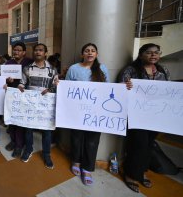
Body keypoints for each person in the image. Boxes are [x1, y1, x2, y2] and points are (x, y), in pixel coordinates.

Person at [119, 43, 170, 193]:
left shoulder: (163, 71)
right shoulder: (131, 70)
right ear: (141, 55)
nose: (153, 55)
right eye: (149, 52)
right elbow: (120, 89)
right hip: (137, 115)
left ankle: (141, 172)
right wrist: (125, 86)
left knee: (149, 144)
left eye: (156, 52)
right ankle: (130, 174)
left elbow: (168, 91)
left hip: (156, 115)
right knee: (138, 144)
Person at [65, 43, 109, 186]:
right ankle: (76, 161)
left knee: (92, 140)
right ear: (82, 54)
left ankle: (88, 168)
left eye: (93, 51)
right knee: (77, 137)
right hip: (77, 111)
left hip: (96, 112)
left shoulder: (102, 69)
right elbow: (67, 88)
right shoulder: (74, 68)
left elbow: (108, 88)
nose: (90, 53)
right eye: (87, 51)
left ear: (96, 54)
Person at [19, 43, 58, 169]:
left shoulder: (52, 69)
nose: (38, 52)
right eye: (36, 50)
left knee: (46, 131)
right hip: (30, 104)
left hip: (45, 106)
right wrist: (20, 87)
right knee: (28, 128)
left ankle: (46, 154)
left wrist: (51, 89)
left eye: (41, 50)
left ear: (45, 53)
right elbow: (22, 83)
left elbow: (56, 86)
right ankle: (28, 149)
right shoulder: (27, 68)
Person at [5, 42, 33, 158]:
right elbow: (3, 80)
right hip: (11, 96)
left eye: (19, 50)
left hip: (25, 96)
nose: (16, 52)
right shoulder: (8, 63)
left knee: (20, 121)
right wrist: (7, 80)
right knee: (11, 120)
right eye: (14, 50)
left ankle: (19, 145)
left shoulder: (29, 62)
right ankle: (13, 141)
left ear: (24, 52)